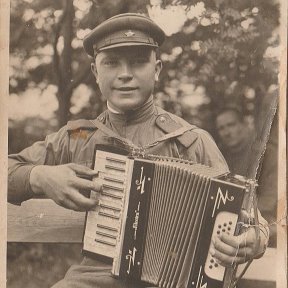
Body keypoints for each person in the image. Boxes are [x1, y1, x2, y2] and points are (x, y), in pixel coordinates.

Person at [8, 13, 269, 288]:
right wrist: (40, 176)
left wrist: (250, 241)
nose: (125, 74)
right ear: (96, 72)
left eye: (137, 62)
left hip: (177, 281)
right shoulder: (77, 137)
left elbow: (253, 223)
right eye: (111, 63)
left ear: (156, 69)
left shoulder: (192, 141)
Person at [215, 107, 277, 247]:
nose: (227, 132)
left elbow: (270, 200)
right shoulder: (220, 157)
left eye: (231, 124)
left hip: (265, 230)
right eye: (221, 128)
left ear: (244, 124)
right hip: (227, 227)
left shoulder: (266, 153)